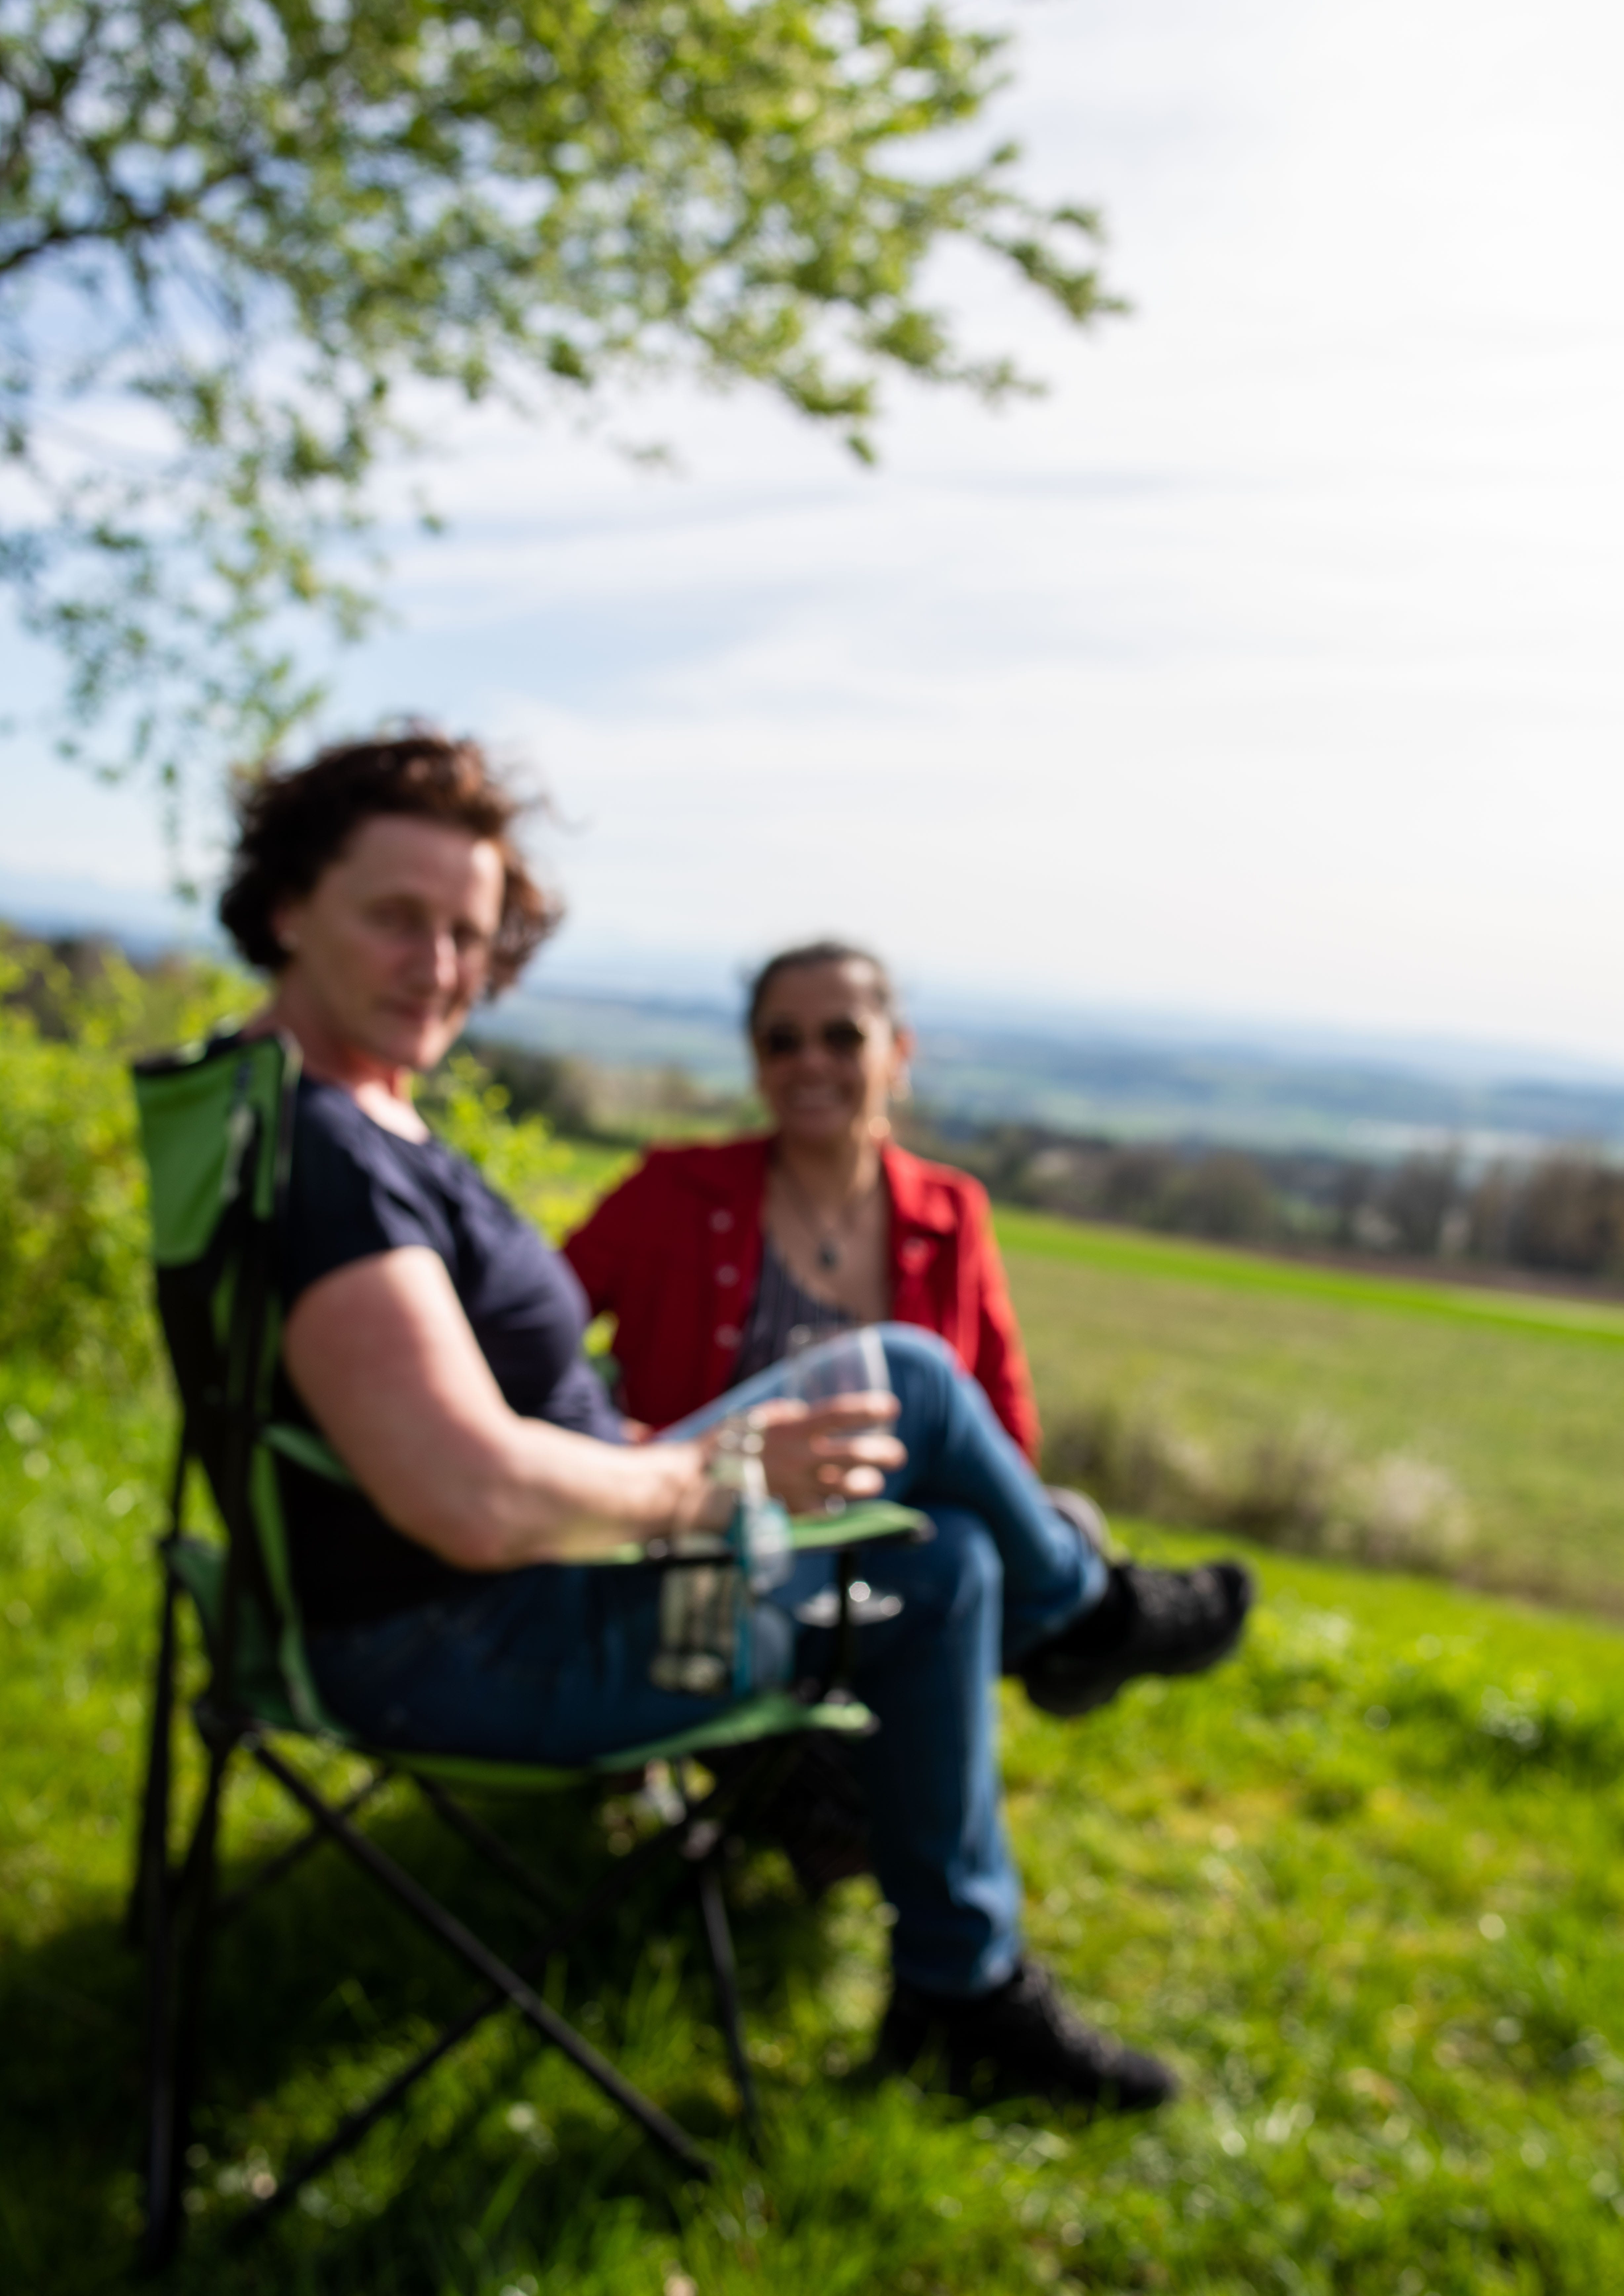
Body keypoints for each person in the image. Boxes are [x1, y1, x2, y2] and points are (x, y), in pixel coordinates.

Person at [219, 729, 1253, 2112]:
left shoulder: (299, 1116)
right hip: (487, 1634)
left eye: (469, 933)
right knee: (908, 1380)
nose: (442, 964)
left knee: (950, 1558)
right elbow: (470, 1496)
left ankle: (961, 1985)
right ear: (291, 904)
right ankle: (1087, 1622)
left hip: (525, 1590)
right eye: (396, 919)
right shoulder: (333, 1157)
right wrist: (713, 1472)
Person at [564, 941, 1042, 1454]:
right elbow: (525, 1327)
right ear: (757, 1059)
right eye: (783, 1041)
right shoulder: (673, 1188)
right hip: (701, 1496)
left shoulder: (951, 1212)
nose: (811, 1061)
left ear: (899, 1053)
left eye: (843, 1037)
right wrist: (620, 1444)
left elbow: (1004, 1427)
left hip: (901, 1503)